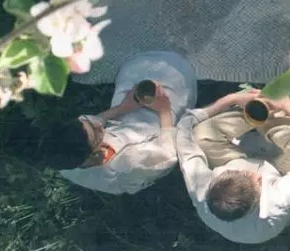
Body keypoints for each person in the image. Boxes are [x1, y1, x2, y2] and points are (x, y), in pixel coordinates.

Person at [176, 89, 290, 244]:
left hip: (235, 160)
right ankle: (272, 111)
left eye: (235, 171)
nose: (250, 171)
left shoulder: (200, 188)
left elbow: (184, 128)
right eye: (256, 179)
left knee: (201, 135)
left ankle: (256, 109)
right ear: (257, 199)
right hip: (279, 172)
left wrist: (231, 99)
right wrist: (288, 105)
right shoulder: (280, 198)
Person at [45, 51, 197, 195]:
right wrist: (164, 110)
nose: (97, 124)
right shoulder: (132, 167)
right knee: (176, 76)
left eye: (86, 122)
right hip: (158, 132)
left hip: (124, 124)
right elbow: (168, 154)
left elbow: (92, 124)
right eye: (97, 131)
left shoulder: (63, 155)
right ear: (93, 154)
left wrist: (123, 107)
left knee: (133, 71)